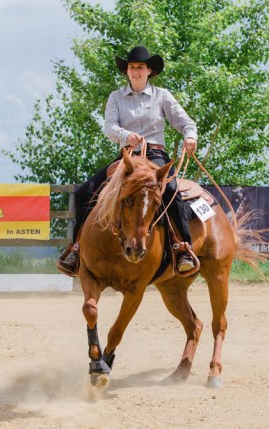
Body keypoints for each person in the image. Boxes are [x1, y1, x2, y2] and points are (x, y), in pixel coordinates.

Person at [57, 46, 198, 276]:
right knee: (84, 193)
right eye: (132, 67)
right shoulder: (116, 97)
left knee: (171, 191)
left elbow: (186, 122)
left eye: (140, 67)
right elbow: (109, 127)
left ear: (149, 70)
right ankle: (75, 248)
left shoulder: (162, 96)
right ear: (127, 72)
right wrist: (125, 135)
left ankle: (183, 247)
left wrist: (190, 137)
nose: (136, 71)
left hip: (154, 155)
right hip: (127, 156)